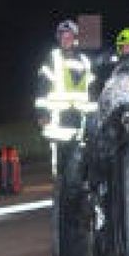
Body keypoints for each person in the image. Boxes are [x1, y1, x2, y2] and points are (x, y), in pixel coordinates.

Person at [35, 19, 95, 175]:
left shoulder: (86, 62)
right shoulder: (52, 59)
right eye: (62, 37)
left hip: (81, 122)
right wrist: (42, 114)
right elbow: (41, 89)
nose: (65, 40)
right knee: (61, 169)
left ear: (75, 39)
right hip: (58, 122)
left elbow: (92, 92)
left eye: (69, 36)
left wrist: (96, 114)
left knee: (80, 166)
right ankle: (61, 196)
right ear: (58, 38)